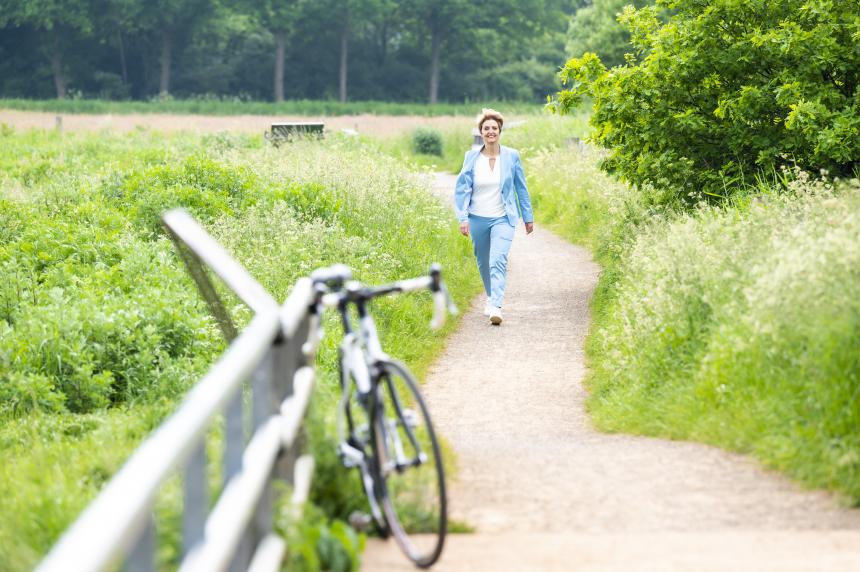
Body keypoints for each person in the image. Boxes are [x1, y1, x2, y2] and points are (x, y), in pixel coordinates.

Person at [454, 108, 534, 326]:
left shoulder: (511, 156)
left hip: (503, 217)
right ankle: (490, 296)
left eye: (494, 128)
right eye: (486, 128)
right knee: (483, 260)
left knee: (497, 259)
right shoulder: (471, 157)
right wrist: (462, 217)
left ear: (500, 131)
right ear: (481, 132)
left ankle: (496, 306)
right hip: (477, 217)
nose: (490, 131)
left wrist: (528, 217)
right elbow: (462, 189)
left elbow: (521, 188)